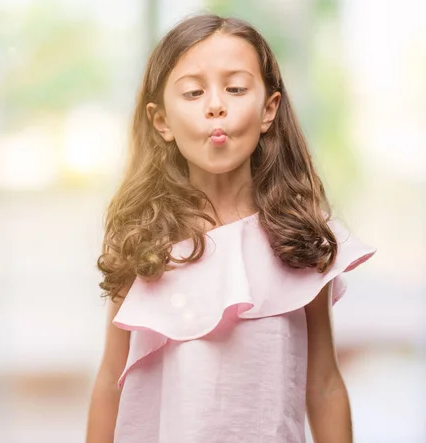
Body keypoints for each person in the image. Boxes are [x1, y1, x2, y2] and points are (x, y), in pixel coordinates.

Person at [85, 14, 375, 443]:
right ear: (161, 120)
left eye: (236, 88)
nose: (215, 104)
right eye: (193, 91)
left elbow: (324, 384)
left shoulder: (300, 238)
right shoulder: (143, 242)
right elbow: (112, 379)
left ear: (268, 109)